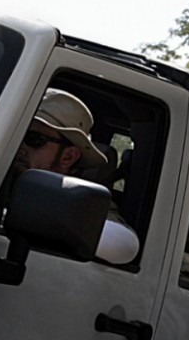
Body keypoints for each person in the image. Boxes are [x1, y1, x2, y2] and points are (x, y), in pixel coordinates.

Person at [8, 88, 140, 265]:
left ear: (67, 156)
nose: (20, 147)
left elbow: (124, 245)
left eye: (34, 139)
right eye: (17, 133)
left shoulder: (85, 202)